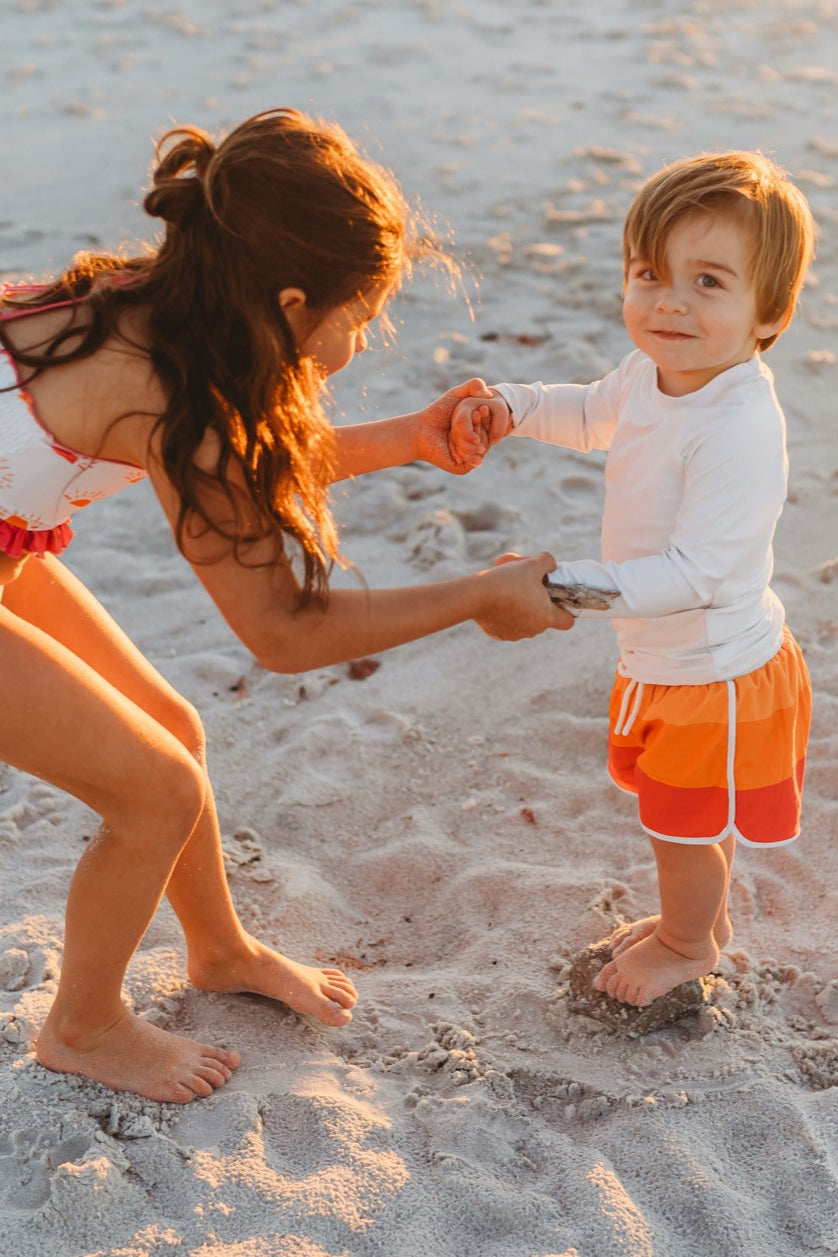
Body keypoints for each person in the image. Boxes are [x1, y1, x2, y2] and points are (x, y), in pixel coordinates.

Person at [0, 108, 572, 1103]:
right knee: (155, 790)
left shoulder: (162, 302)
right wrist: (480, 596)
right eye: (360, 315)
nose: (361, 336)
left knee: (172, 731)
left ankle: (218, 950)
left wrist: (408, 439)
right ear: (293, 298)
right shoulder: (172, 392)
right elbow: (284, 631)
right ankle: (83, 1026)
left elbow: (241, 465)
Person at [448, 150, 815, 1008]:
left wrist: (561, 588)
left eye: (709, 282)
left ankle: (689, 942)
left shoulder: (738, 426)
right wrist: (513, 406)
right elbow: (591, 411)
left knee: (681, 823)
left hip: (714, 667)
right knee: (683, 810)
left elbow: (696, 574)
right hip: (667, 654)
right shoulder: (654, 374)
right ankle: (701, 925)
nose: (669, 302)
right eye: (650, 274)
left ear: (771, 313)